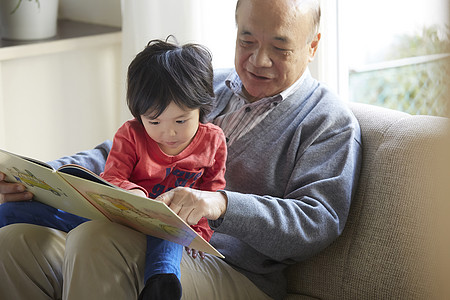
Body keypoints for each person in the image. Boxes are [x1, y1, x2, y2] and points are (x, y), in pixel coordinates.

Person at [0, 0, 362, 299]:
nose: (258, 60)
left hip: (236, 272)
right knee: (16, 242)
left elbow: (316, 221)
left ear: (313, 45)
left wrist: (219, 204)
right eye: (247, 41)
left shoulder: (329, 122)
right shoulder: (205, 85)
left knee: (98, 239)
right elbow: (120, 151)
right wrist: (40, 175)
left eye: (280, 48)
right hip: (150, 238)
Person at [100, 39, 227, 300]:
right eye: (154, 121)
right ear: (139, 116)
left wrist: (199, 235)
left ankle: (161, 284)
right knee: (62, 212)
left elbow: (212, 191)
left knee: (170, 229)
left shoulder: (213, 140)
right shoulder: (131, 135)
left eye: (181, 120)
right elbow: (112, 177)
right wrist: (135, 194)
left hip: (170, 228)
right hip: (125, 219)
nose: (168, 132)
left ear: (200, 109)